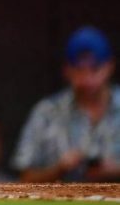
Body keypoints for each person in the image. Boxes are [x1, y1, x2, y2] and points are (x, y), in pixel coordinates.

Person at [13, 26, 120, 182]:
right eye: (79, 70)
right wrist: (59, 169)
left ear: (110, 66)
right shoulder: (47, 112)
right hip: (61, 204)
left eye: (95, 69)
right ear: (67, 70)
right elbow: (23, 179)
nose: (87, 79)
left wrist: (115, 170)